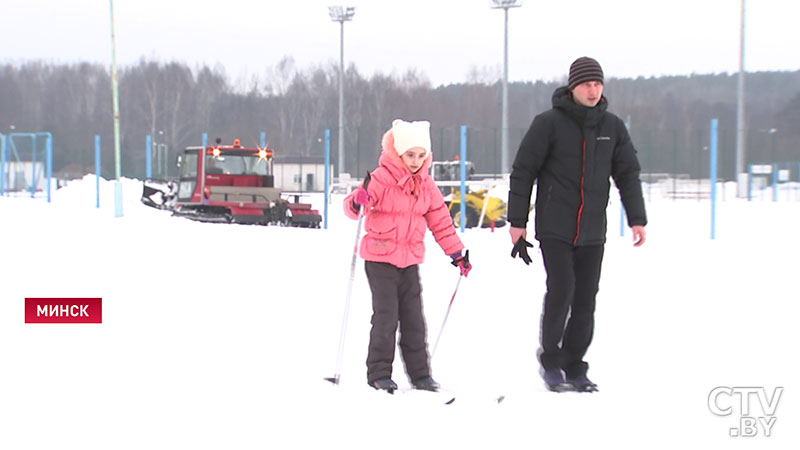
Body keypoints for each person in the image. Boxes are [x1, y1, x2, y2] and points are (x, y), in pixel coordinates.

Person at [507, 57, 647, 393]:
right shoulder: (548, 124)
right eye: (586, 84)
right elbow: (524, 170)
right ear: (573, 87)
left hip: (592, 230)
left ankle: (575, 364)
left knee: (586, 299)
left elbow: (627, 174)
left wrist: (637, 217)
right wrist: (517, 221)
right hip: (555, 226)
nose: (593, 90)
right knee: (563, 289)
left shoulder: (612, 127)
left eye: (597, 84)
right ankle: (551, 361)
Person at [344, 119, 472, 393]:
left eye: (421, 155)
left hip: (409, 260)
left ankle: (421, 375)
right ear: (398, 153)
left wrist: (457, 253)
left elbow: (441, 221)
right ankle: (379, 372)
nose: (415, 161)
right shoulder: (379, 178)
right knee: (386, 315)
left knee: (414, 319)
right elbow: (354, 208)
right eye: (410, 155)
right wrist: (358, 200)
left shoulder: (426, 185)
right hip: (380, 258)